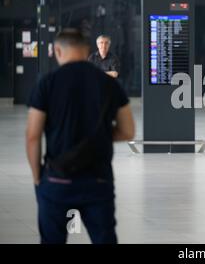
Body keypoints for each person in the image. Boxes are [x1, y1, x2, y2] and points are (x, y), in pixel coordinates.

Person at [26, 29, 135, 244]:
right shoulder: (109, 84)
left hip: (57, 177)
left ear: (58, 50)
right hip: (98, 178)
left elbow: (32, 135)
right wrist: (100, 135)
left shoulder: (47, 83)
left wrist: (38, 176)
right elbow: (128, 130)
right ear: (88, 51)